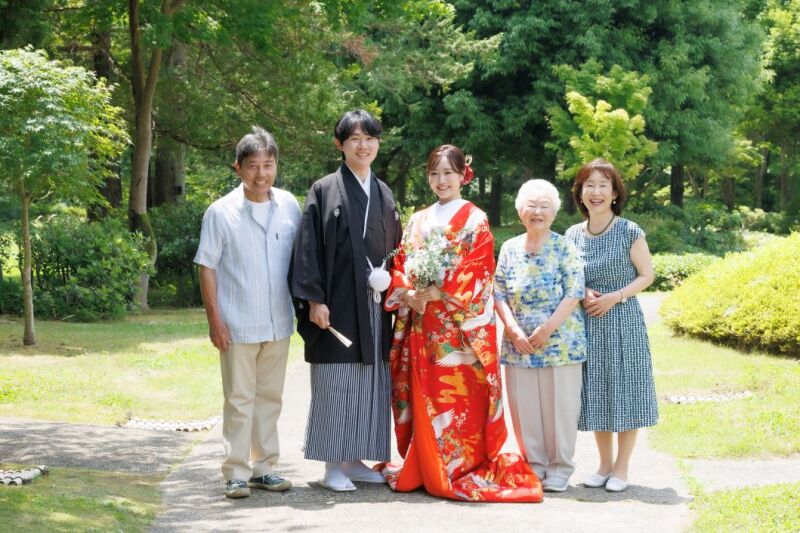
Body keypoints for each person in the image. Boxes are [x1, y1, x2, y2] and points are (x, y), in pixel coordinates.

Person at [380, 145, 541, 503]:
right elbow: (402, 264)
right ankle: (423, 466)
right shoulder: (418, 220)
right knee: (423, 391)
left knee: (456, 398)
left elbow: (480, 271)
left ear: (462, 176)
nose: (441, 181)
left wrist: (439, 291)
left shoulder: (474, 218)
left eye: (448, 173)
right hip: (422, 323)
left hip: (458, 330)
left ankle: (456, 468)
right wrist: (408, 293)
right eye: (434, 173)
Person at [289, 109, 402, 492]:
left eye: (369, 138)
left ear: (377, 144)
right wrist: (314, 300)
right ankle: (332, 466)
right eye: (354, 138)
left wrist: (393, 281)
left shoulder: (384, 192)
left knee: (370, 380)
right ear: (340, 144)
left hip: (373, 301)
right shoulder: (324, 189)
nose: (363, 145)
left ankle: (355, 459)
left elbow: (396, 248)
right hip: (336, 302)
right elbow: (306, 249)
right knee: (336, 380)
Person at [194, 127, 300, 499]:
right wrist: (215, 321)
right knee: (239, 399)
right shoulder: (220, 212)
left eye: (268, 165)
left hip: (278, 321)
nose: (261, 173)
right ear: (237, 168)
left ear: (276, 166)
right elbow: (206, 266)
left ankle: (265, 467)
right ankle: (235, 472)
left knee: (270, 399)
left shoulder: (290, 206)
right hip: (236, 322)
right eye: (252, 165)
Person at [565, 158, 658, 493]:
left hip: (623, 323)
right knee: (597, 395)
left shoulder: (629, 231)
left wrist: (614, 296)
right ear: (580, 193)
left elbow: (647, 275)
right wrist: (585, 292)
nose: (596, 191)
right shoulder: (573, 235)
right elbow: (569, 278)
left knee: (626, 393)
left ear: (615, 193)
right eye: (589, 185)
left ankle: (622, 467)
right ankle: (603, 464)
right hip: (588, 326)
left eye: (604, 185)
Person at [494, 179, 587, 493]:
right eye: (531, 206)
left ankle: (560, 468)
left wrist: (547, 329)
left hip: (559, 341)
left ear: (555, 212)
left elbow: (574, 291)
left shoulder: (564, 246)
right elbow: (499, 294)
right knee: (525, 407)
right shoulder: (509, 248)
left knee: (559, 406)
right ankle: (533, 466)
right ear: (520, 211)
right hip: (518, 343)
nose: (537, 212)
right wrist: (513, 330)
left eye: (544, 206)